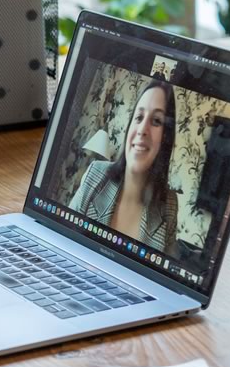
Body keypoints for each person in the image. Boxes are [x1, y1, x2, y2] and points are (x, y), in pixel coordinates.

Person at [69, 80, 178, 254]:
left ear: (165, 138)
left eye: (156, 121)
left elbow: (164, 274)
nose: (143, 129)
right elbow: (63, 236)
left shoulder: (169, 205)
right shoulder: (95, 174)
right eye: (139, 117)